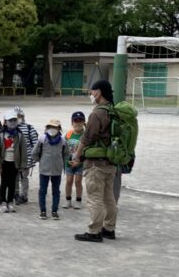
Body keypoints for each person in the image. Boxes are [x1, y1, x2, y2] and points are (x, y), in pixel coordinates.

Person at [72, 80, 118, 243]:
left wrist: (77, 156)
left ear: (98, 92)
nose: (91, 94)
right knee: (108, 197)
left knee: (95, 197)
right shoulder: (113, 110)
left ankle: (94, 232)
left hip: (96, 164)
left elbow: (87, 138)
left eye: (92, 91)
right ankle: (109, 229)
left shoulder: (97, 113)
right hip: (111, 161)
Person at [32, 119, 72, 220]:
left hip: (57, 170)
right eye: (50, 127)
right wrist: (40, 161)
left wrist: (63, 163)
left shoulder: (63, 141)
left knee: (56, 191)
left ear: (59, 128)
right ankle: (43, 211)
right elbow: (34, 152)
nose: (52, 129)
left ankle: (54, 211)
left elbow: (67, 154)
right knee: (42, 191)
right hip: (44, 170)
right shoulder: (42, 139)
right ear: (47, 128)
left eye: (55, 127)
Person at [0, 110, 27, 213]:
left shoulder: (20, 135)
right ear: (5, 122)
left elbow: (23, 150)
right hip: (4, 162)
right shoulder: (0, 135)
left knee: (13, 183)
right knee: (4, 183)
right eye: (10, 120)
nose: (12, 122)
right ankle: (3, 202)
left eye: (14, 120)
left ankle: (10, 202)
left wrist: (22, 165)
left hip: (15, 163)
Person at [14, 107, 39, 205]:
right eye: (16, 116)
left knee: (24, 177)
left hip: (26, 158)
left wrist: (33, 157)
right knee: (15, 177)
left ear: (23, 116)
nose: (18, 118)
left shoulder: (29, 128)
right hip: (13, 158)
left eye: (19, 116)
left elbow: (35, 143)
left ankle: (23, 196)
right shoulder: (10, 128)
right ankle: (15, 194)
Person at [64, 111, 86, 209]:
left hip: (80, 163)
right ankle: (68, 200)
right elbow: (64, 149)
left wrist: (79, 161)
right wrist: (67, 161)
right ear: (72, 123)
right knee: (69, 181)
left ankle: (78, 200)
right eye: (75, 121)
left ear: (84, 123)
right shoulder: (68, 134)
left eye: (80, 121)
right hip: (69, 162)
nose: (78, 123)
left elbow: (87, 150)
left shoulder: (85, 135)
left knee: (78, 181)